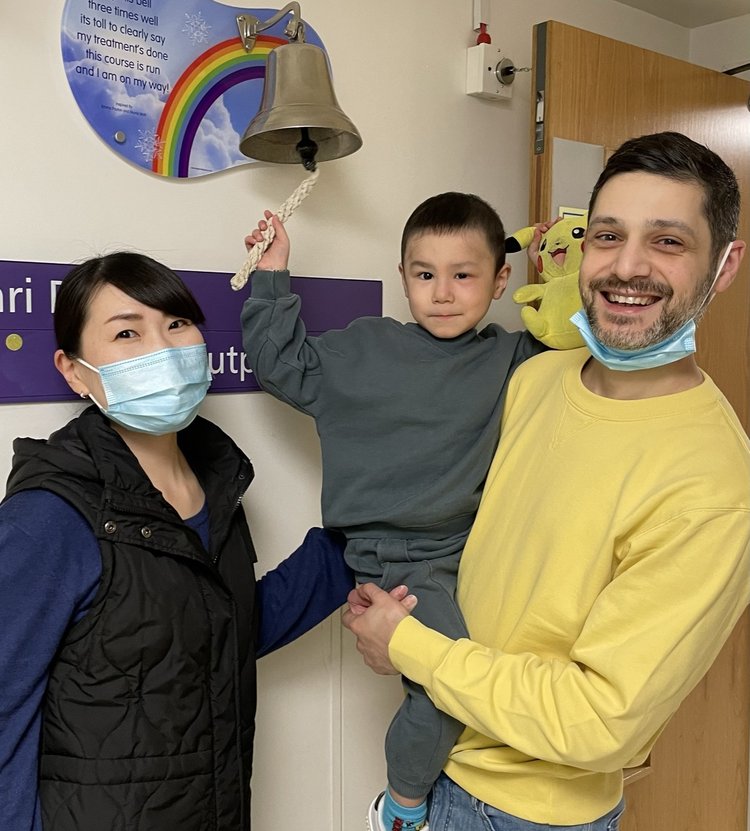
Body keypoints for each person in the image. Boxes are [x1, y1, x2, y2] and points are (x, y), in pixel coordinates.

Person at [342, 130, 750, 830]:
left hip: (526, 813)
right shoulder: (536, 378)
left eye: (668, 242)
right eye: (607, 235)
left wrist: (408, 643)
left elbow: (598, 719)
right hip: (434, 760)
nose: (627, 267)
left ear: (724, 265)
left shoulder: (713, 486)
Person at [240, 193, 578, 831]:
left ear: (502, 280)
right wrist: (272, 272)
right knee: (451, 687)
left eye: (464, 275)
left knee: (529, 678)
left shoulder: (513, 359)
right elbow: (282, 365)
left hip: (483, 552)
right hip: (399, 560)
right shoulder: (366, 349)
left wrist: (562, 270)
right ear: (403, 278)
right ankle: (401, 803)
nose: (443, 293)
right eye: (425, 275)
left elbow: (581, 354)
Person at [0, 252, 354, 831]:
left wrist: (356, 548)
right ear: (73, 370)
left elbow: (214, 631)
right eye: (126, 333)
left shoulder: (215, 483)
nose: (162, 349)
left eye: (176, 325)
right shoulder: (49, 518)